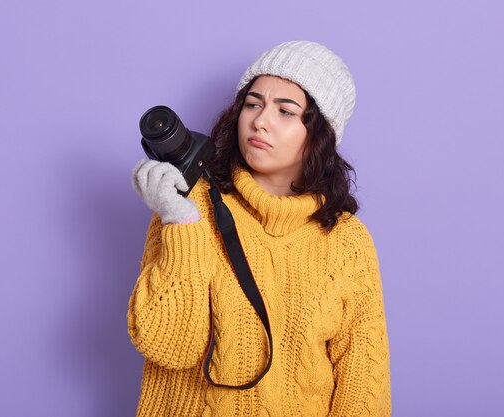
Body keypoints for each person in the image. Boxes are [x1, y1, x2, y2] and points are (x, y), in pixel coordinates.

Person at [128, 40, 391, 417]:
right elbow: (168, 345)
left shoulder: (347, 241)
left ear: (319, 134)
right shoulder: (189, 204)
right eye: (253, 104)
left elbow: (364, 382)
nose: (260, 120)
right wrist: (179, 222)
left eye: (285, 111)